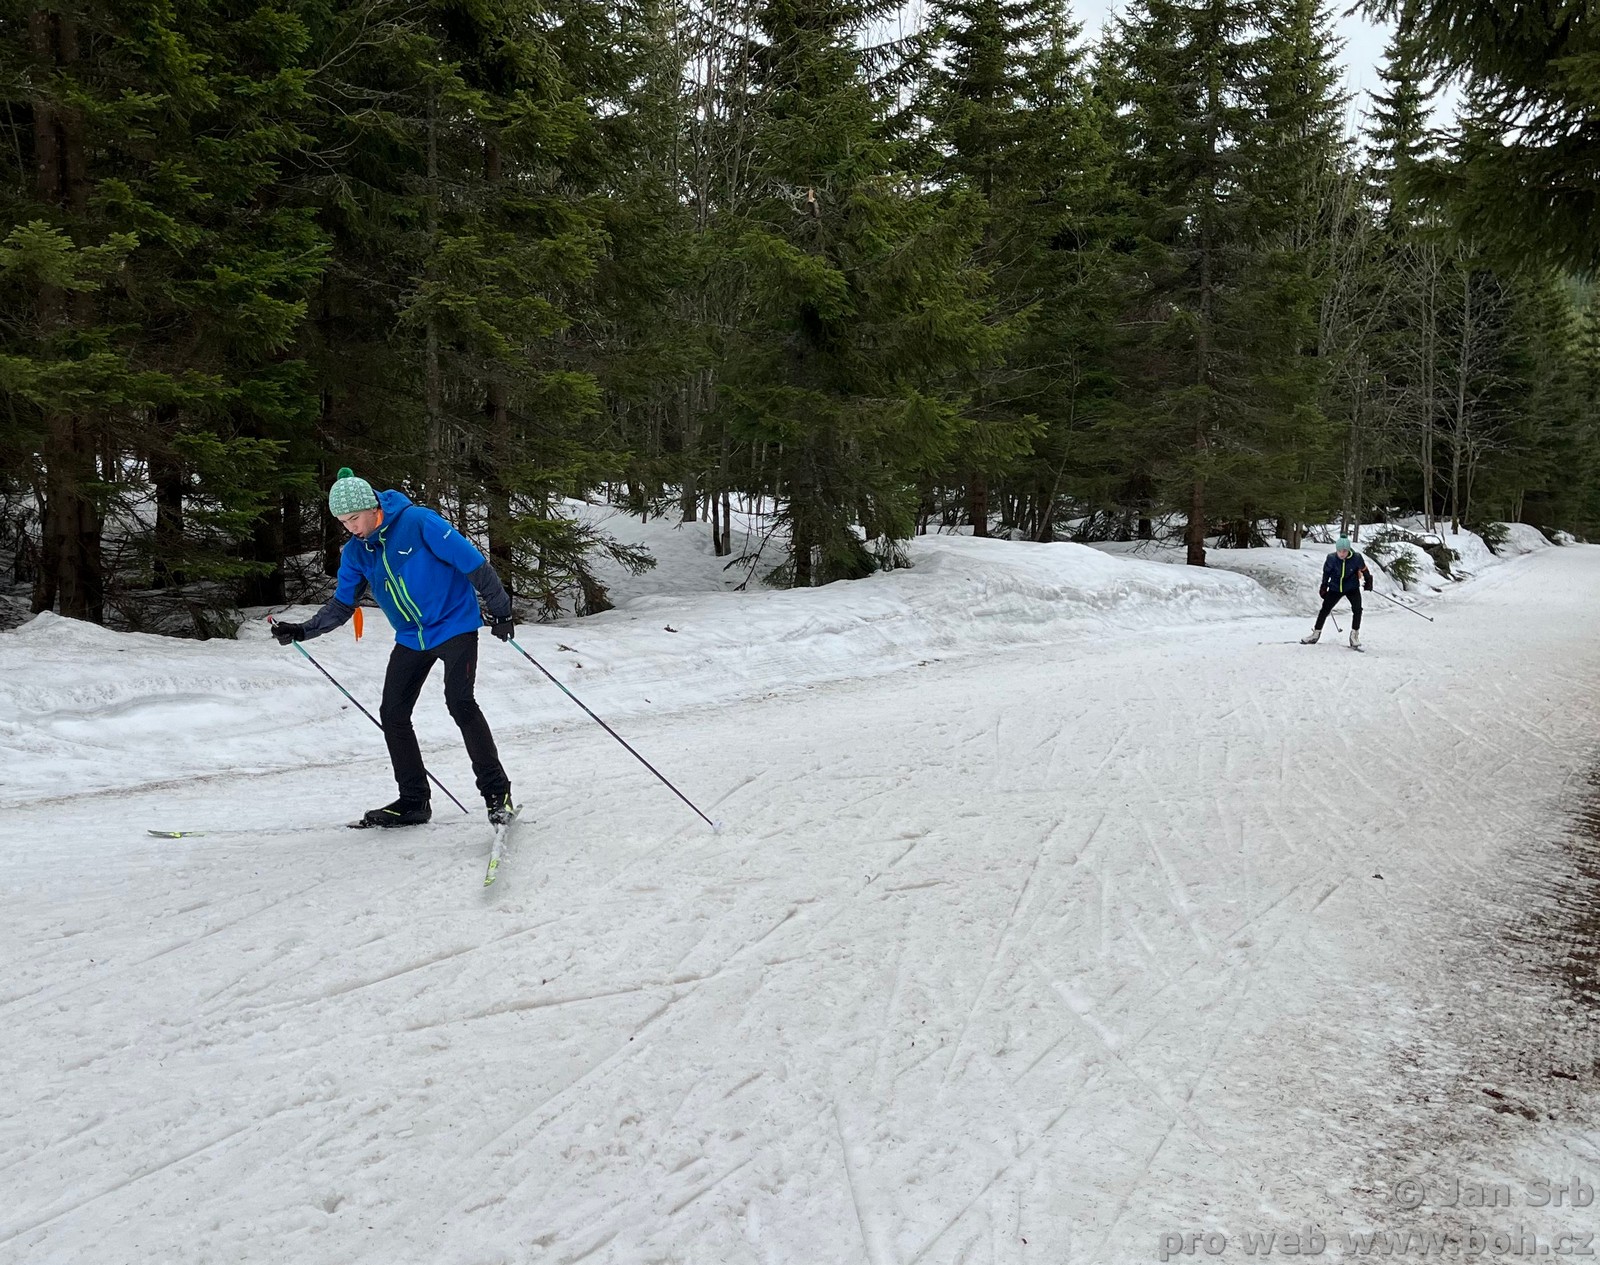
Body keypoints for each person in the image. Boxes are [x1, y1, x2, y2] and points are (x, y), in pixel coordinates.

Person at [272, 468, 516, 827]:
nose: (351, 528)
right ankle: (414, 801)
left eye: (354, 519)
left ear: (373, 507)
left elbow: (473, 564)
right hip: (412, 638)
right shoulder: (356, 552)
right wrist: (302, 631)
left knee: (460, 702)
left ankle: (497, 795)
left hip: (455, 625)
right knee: (393, 713)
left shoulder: (418, 522)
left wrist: (501, 610)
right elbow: (342, 605)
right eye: (343, 522)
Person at [1302, 535, 1373, 648]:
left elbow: (1364, 569)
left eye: (1344, 551)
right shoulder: (1331, 558)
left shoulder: (1356, 558)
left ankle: (1354, 635)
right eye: (1339, 551)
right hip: (1335, 587)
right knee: (1325, 610)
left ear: (1348, 550)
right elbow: (1326, 573)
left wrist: (1368, 580)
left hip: (1352, 587)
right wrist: (1324, 586)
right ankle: (1315, 634)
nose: (1341, 553)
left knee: (1357, 609)